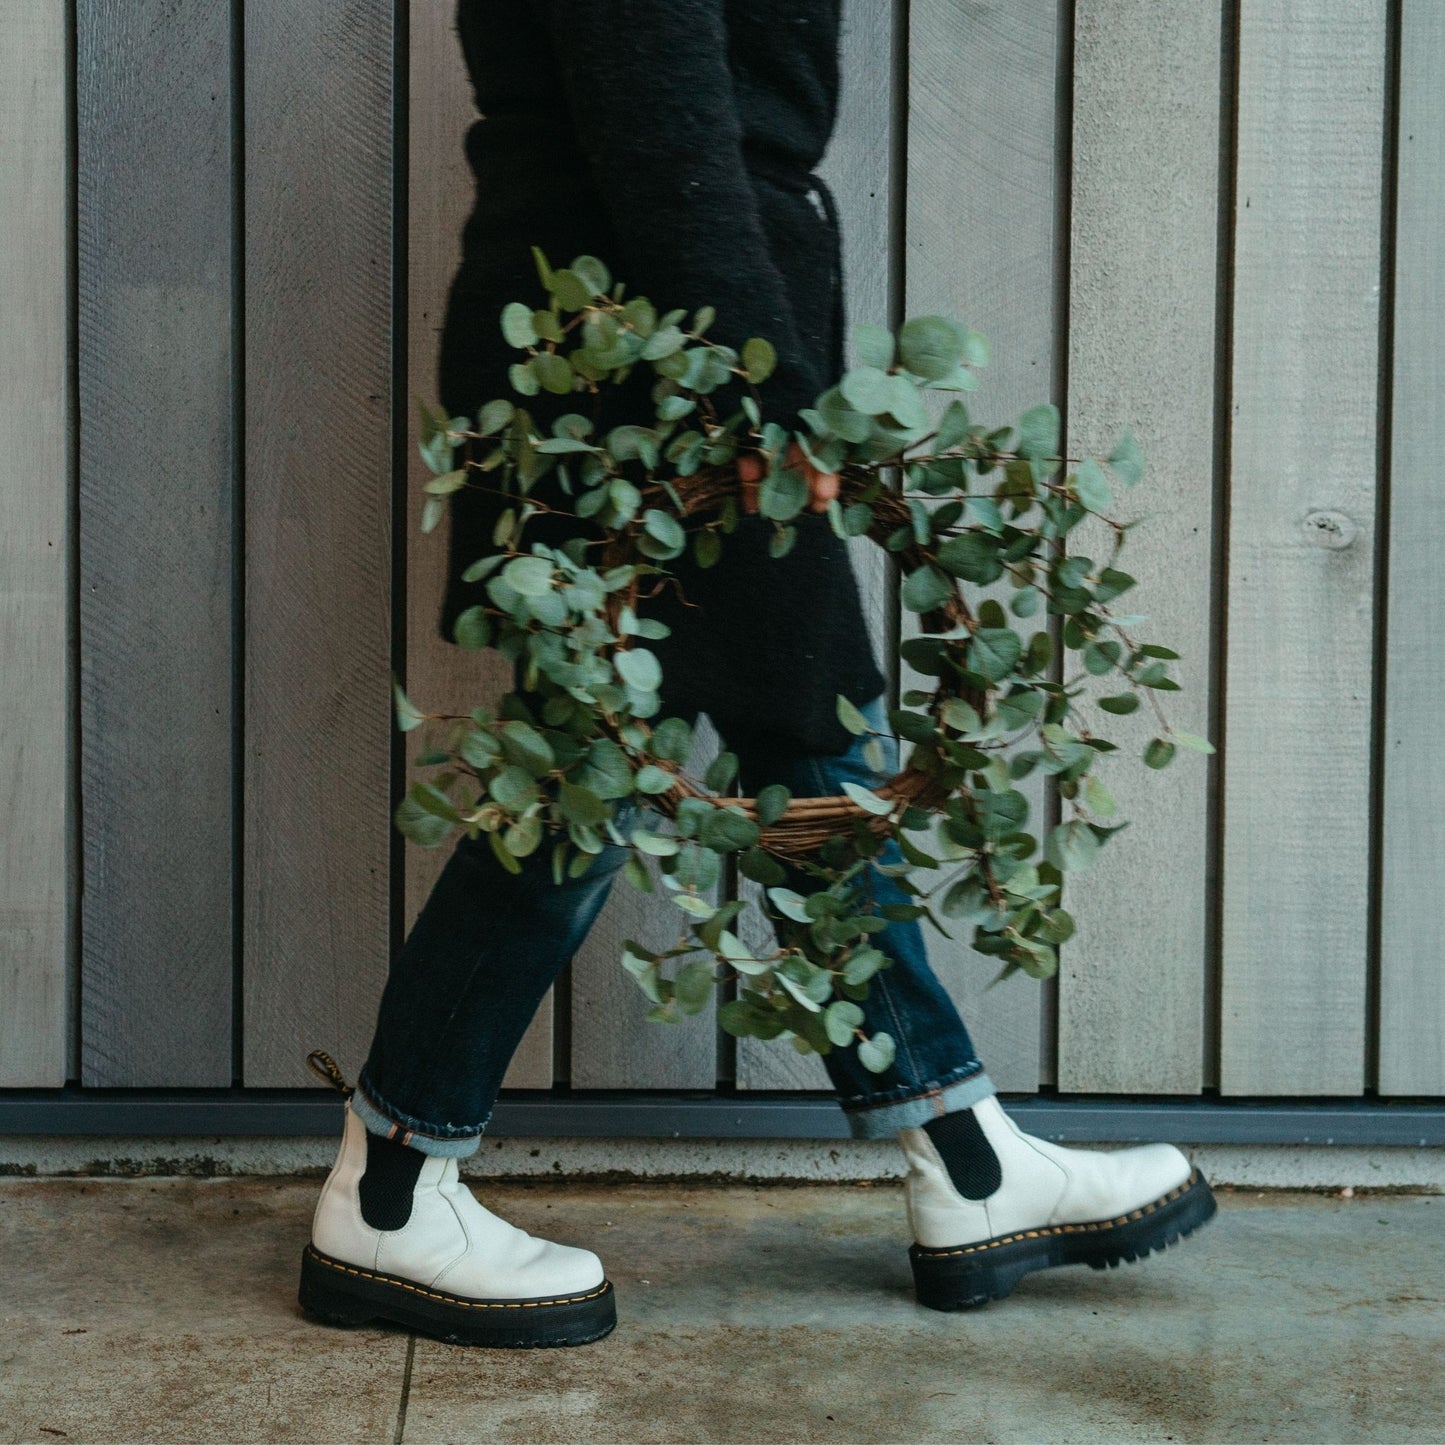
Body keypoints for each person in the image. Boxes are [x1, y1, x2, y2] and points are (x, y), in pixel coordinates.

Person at [298, 0, 1216, 1349]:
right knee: (592, 775)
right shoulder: (711, 353)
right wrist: (765, 388)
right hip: (650, 360)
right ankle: (389, 1183)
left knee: (777, 744)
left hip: (657, 333)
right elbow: (657, 108)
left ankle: (960, 1159)